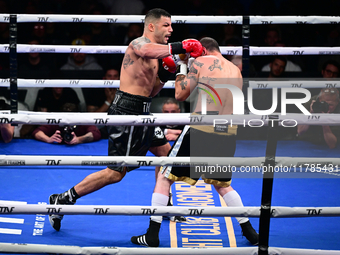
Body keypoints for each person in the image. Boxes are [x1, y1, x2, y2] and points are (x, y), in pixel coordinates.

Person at [48, 8, 203, 233]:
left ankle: (163, 205)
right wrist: (180, 47)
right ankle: (63, 199)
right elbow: (147, 49)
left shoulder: (157, 56)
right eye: (166, 25)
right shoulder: (138, 44)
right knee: (115, 173)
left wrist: (168, 73)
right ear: (152, 26)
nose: (171, 29)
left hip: (143, 111)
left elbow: (151, 91)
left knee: (165, 156)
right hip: (126, 113)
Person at [131, 37, 259, 247]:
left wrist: (183, 65)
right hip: (228, 131)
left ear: (203, 50)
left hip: (202, 128)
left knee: (164, 176)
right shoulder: (236, 70)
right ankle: (249, 231)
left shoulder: (201, 62)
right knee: (223, 185)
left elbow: (180, 94)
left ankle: (152, 234)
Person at [32, 103, 101, 145]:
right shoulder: (57, 123)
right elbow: (37, 132)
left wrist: (79, 139)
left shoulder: (82, 122)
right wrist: (48, 139)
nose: (68, 124)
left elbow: (95, 133)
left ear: (77, 117)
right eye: (66, 120)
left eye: (71, 120)